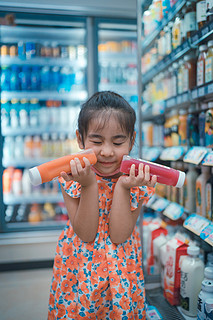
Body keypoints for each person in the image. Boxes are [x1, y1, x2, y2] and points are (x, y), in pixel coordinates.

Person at [48, 91, 157, 320]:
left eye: (118, 142)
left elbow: (119, 235)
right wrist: (89, 186)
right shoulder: (70, 175)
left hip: (122, 273)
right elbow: (86, 233)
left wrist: (122, 188)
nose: (107, 151)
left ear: (132, 140)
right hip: (79, 271)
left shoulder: (137, 180)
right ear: (80, 139)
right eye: (97, 141)